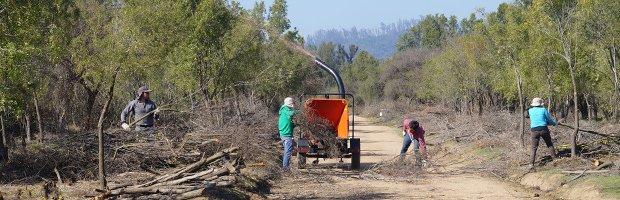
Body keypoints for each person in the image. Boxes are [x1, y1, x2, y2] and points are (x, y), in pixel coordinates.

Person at [527, 97, 557, 169]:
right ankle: (555, 160)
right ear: (540, 104)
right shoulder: (543, 109)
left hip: (534, 130)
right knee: (549, 144)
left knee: (534, 148)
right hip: (544, 129)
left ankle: (531, 164)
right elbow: (549, 119)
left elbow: (529, 116)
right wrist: (554, 123)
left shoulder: (530, 110)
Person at [278, 97, 298, 170]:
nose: (293, 105)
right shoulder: (285, 109)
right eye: (293, 103)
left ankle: (286, 166)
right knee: (288, 151)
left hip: (285, 133)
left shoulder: (284, 110)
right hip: (286, 133)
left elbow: (289, 122)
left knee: (289, 149)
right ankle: (285, 168)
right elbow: (291, 113)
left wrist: (294, 125)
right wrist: (300, 112)